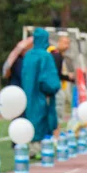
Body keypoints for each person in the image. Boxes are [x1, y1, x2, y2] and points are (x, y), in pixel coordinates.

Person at [21, 28, 61, 158]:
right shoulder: (45, 56)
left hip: (28, 93)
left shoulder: (28, 55)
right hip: (42, 94)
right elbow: (49, 79)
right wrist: (52, 88)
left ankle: (32, 146)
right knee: (43, 119)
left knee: (31, 117)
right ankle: (41, 148)